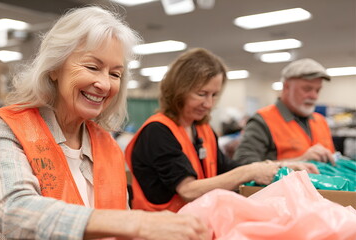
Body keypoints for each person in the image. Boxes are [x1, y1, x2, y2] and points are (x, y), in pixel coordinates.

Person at [0, 6, 208, 240]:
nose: (104, 84)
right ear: (55, 68)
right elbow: (12, 212)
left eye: (115, 74)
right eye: (92, 67)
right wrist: (137, 222)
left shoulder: (107, 146)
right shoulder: (8, 128)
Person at [125, 48, 296, 212]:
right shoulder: (157, 132)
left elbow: (228, 168)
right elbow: (188, 190)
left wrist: (279, 166)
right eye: (201, 94)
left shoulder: (202, 129)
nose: (208, 104)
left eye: (214, 95)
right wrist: (249, 172)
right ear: (178, 91)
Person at [233, 58, 335, 167]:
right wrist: (300, 160)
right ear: (286, 87)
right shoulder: (263, 120)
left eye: (317, 90)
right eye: (307, 89)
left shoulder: (321, 121)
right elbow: (243, 166)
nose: (314, 96)